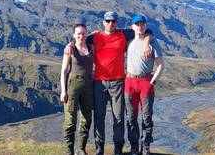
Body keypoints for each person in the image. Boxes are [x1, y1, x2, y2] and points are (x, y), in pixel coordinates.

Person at [65, 11, 152, 155]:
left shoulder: (124, 34)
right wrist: (70, 44)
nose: (111, 23)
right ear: (103, 22)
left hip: (118, 82)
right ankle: (100, 149)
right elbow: (80, 38)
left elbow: (145, 30)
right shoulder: (95, 37)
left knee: (118, 117)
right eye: (108, 21)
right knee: (99, 117)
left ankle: (118, 148)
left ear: (117, 22)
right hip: (99, 83)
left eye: (113, 21)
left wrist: (147, 42)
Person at [124, 15, 164, 155]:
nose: (139, 27)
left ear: (145, 26)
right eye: (137, 24)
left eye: (142, 24)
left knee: (146, 117)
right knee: (131, 117)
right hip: (129, 82)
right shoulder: (128, 42)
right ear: (133, 26)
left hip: (146, 82)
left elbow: (161, 65)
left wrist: (152, 81)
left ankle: (145, 146)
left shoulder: (153, 42)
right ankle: (134, 146)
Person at [60, 23, 94, 155]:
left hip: (88, 86)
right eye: (78, 34)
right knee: (70, 120)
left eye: (84, 33)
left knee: (86, 119)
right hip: (72, 86)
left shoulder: (92, 47)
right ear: (74, 35)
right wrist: (63, 91)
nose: (81, 36)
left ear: (87, 34)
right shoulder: (70, 49)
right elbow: (63, 71)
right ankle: (69, 151)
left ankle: (81, 149)